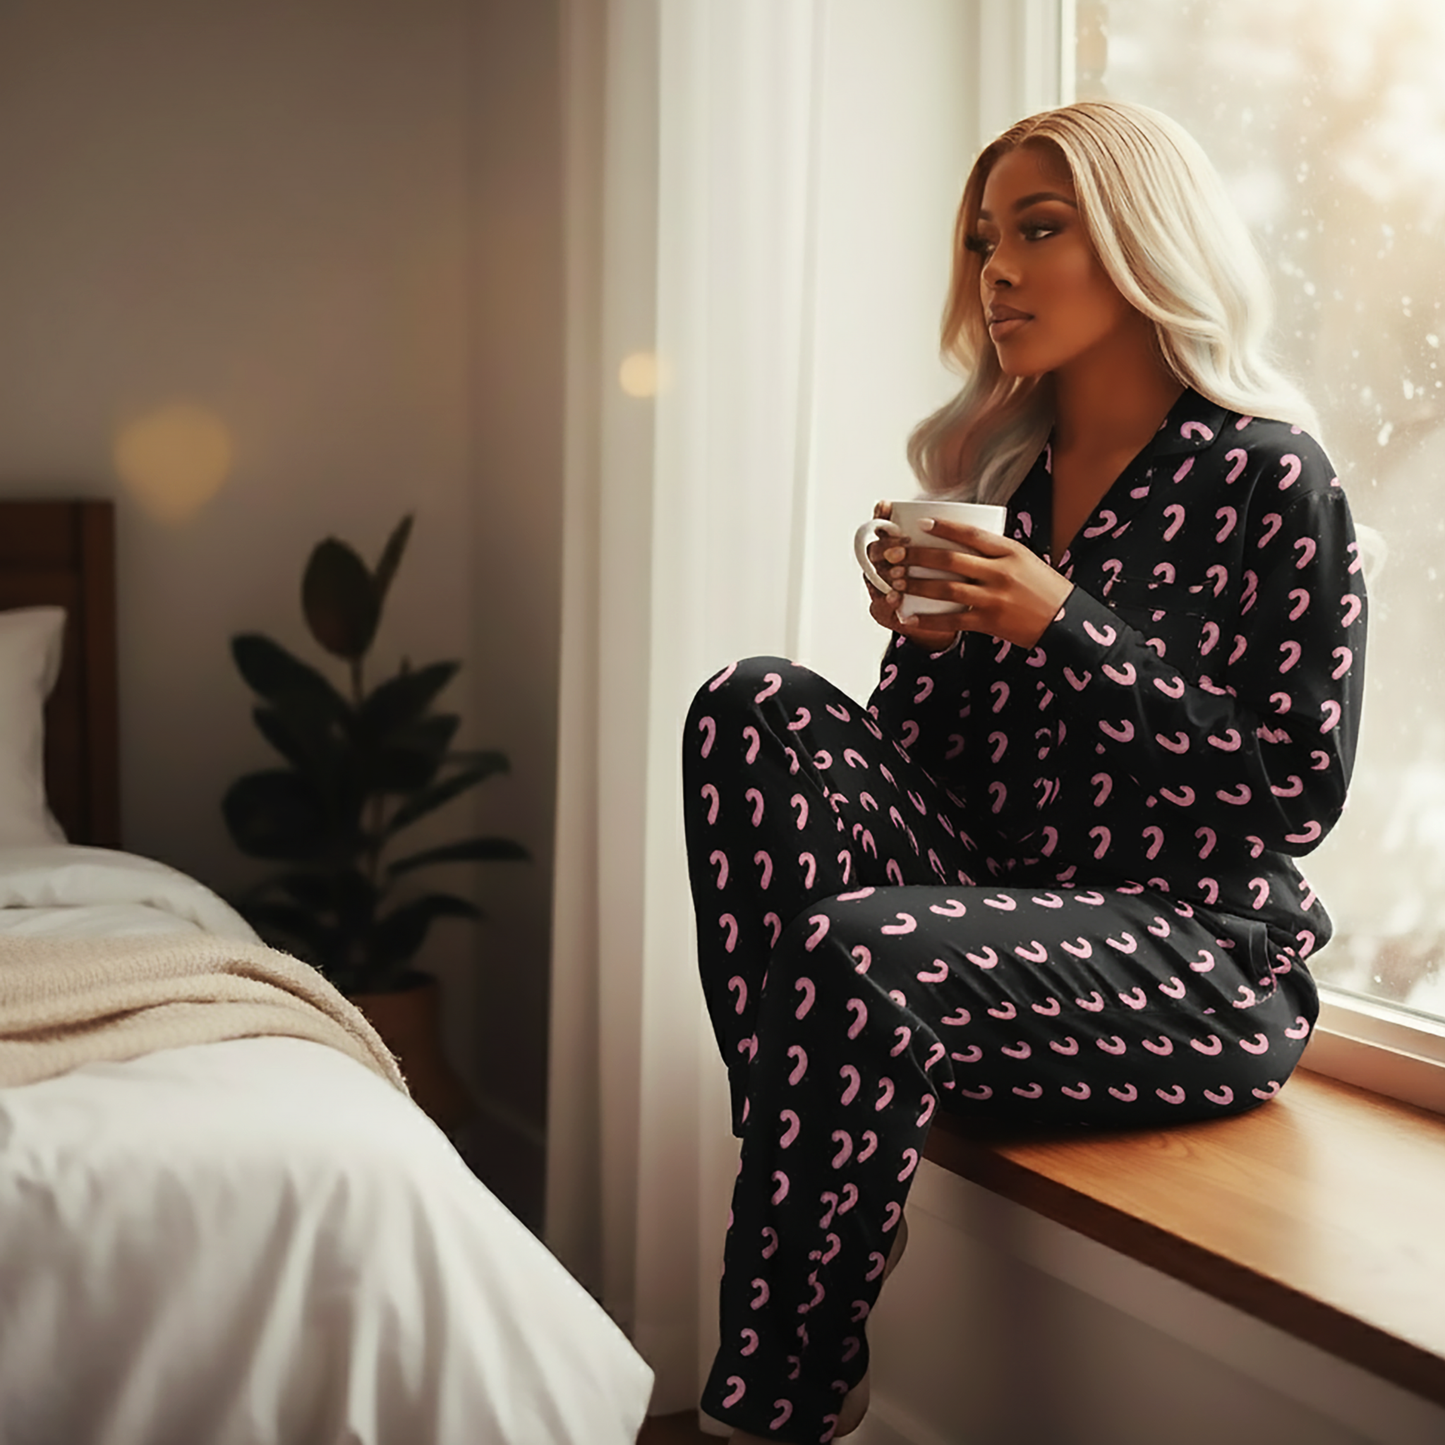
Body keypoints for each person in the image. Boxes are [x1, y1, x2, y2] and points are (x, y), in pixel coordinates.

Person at [682, 100, 1367, 1445]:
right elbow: (941, 784)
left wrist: (1065, 622)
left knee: (858, 954)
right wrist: (925, 639)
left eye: (1037, 231)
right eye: (984, 239)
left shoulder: (1271, 476)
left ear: (1137, 241)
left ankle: (777, 1387)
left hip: (1195, 956)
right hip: (1001, 925)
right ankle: (820, 1230)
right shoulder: (1003, 473)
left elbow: (1295, 793)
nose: (994, 269)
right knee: (746, 706)